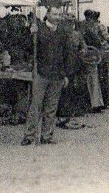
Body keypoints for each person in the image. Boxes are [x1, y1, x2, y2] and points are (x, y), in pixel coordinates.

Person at [23, 10, 80, 146]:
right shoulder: (38, 29)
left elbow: (68, 53)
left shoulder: (63, 31)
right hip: (41, 72)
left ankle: (47, 135)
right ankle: (29, 135)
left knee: (51, 107)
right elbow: (28, 49)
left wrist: (66, 74)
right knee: (36, 105)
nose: (57, 17)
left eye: (59, 15)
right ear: (48, 15)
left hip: (57, 74)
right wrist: (31, 35)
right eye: (55, 14)